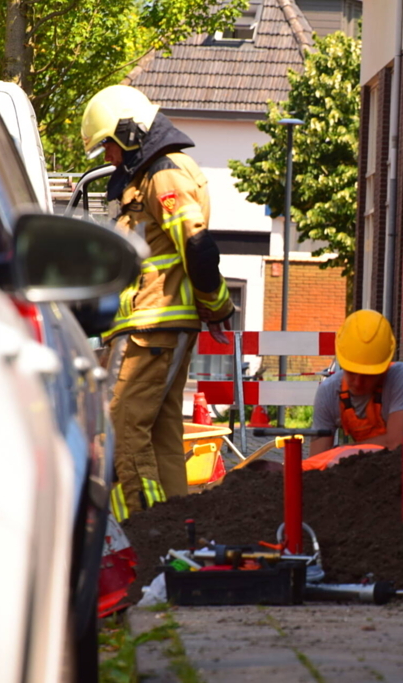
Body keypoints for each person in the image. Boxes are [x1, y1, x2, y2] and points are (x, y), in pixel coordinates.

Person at [81, 85, 234, 521]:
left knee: (123, 432)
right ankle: (176, 532)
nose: (107, 155)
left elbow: (198, 246)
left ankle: (146, 531)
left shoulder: (163, 174)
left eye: (107, 143)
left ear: (129, 130)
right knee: (161, 434)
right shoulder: (147, 173)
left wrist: (218, 305)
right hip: (156, 324)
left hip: (154, 325)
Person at [309, 310, 403, 455]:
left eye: (368, 375)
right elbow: (317, 459)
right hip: (375, 470)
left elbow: (396, 445)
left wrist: (341, 452)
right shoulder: (329, 392)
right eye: (352, 372)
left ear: (385, 365)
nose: (358, 382)